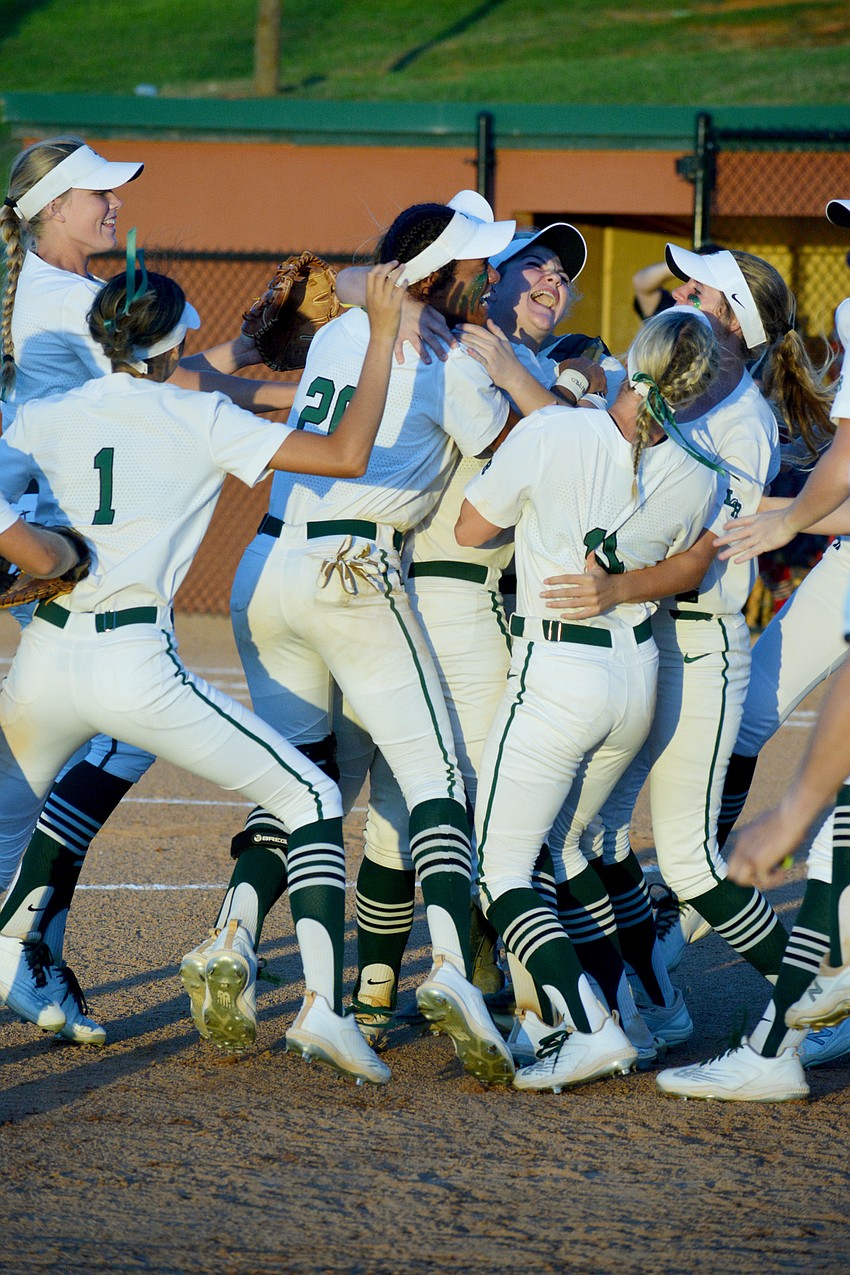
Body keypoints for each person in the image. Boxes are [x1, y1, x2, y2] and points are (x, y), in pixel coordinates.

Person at [0, 259, 404, 1088]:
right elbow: (350, 450)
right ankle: (326, 1011)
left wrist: (45, 555)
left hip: (43, 653)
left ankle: (15, 954)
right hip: (131, 664)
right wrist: (386, 333)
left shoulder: (42, 413)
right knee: (314, 796)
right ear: (178, 339)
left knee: (3, 848)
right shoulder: (195, 415)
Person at [205, 191, 526, 1086]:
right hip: (355, 570)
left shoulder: (346, 326)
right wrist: (556, 389)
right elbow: (518, 444)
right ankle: (458, 974)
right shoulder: (448, 357)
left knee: (310, 782)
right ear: (439, 272)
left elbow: (354, 281)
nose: (493, 279)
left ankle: (233, 929)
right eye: (480, 264)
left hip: (265, 568)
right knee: (438, 777)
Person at [0, 136, 300, 1040]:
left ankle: (31, 942)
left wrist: (249, 354)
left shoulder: (58, 291)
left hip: (70, 542)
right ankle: (29, 942)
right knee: (95, 749)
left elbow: (166, 384)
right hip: (80, 551)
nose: (115, 203)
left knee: (66, 764)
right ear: (53, 205)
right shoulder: (67, 300)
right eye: (98, 192)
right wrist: (273, 366)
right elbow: (171, 390)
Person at [538, 246, 835, 1060]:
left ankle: (817, 997)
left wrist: (607, 585)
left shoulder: (737, 420)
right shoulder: (697, 389)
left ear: (730, 320)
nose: (677, 290)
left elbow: (692, 547)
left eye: (697, 287)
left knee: (691, 862)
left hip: (698, 649)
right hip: (654, 641)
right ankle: (652, 1003)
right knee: (586, 838)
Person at [331, 218, 608, 1051]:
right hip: (404, 596)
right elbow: (343, 276)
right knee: (403, 811)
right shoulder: (458, 334)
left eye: (563, 273)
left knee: (485, 814)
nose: (550, 279)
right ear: (488, 279)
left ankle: (517, 996)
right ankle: (403, 998)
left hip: (478, 602)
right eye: (534, 264)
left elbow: (591, 404)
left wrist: (570, 378)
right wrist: (403, 307)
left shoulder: (564, 371)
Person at [455, 305, 720, 1092]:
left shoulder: (555, 431)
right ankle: (642, 1007)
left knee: (501, 867)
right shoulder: (700, 467)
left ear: (634, 363)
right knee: (568, 847)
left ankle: (592, 1024)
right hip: (634, 676)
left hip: (557, 670)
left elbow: (471, 529)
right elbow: (681, 552)